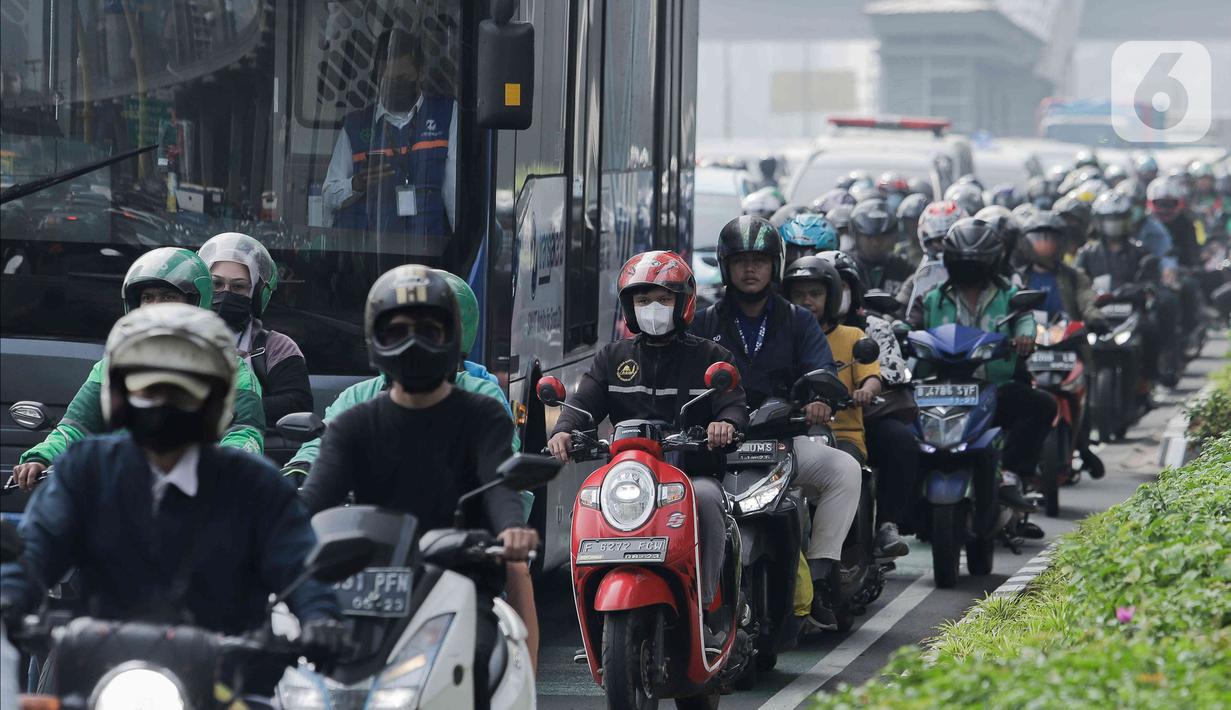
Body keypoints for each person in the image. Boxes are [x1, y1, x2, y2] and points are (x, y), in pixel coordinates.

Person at [0, 304, 342, 691]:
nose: (163, 401)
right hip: (101, 673)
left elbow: (300, 566)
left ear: (217, 396)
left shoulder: (256, 485)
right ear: (118, 391)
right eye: (147, 386)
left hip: (228, 683)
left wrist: (320, 619)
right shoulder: (86, 469)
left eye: (184, 387)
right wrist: (11, 596)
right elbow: (36, 548)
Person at [546, 251, 746, 648]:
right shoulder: (612, 357)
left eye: (663, 299)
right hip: (631, 478)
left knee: (707, 500)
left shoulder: (710, 357)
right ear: (629, 308)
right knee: (589, 501)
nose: (652, 308)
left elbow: (733, 403)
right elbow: (584, 403)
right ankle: (592, 614)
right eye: (642, 301)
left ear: (683, 302)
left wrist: (726, 424)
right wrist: (564, 430)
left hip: (690, 475)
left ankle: (705, 609)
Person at [691, 217, 861, 632]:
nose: (751, 270)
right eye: (742, 260)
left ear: (775, 266)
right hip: (718, 449)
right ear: (726, 265)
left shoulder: (798, 320)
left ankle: (820, 577)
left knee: (845, 470)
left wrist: (820, 399)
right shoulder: (704, 321)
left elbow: (822, 370)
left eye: (761, 261)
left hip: (783, 441)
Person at [11, 248, 266, 491]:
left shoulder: (233, 370)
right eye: (148, 298)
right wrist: (41, 457)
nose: (156, 306)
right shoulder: (110, 367)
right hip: (120, 492)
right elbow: (76, 427)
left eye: (168, 297)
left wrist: (222, 468)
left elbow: (244, 435)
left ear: (196, 303)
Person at [907, 219, 1054, 513]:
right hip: (939, 389)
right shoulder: (934, 296)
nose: (969, 267)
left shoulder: (1008, 293)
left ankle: (1010, 474)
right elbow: (910, 321)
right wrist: (897, 330)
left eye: (976, 260)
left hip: (992, 388)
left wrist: (1025, 336)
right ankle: (899, 506)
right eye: (963, 260)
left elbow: (1024, 316)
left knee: (1042, 405)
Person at [782, 256, 907, 558]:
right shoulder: (783, 337)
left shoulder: (853, 336)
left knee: (848, 471)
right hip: (794, 435)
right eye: (799, 295)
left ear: (832, 296)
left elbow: (872, 376)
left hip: (844, 435)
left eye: (815, 294)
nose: (807, 301)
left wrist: (865, 391)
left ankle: (844, 555)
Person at [820, 249, 921, 542]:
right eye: (824, 287)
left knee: (901, 443)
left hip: (863, 418)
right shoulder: (796, 327)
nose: (833, 294)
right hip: (805, 421)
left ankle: (887, 525)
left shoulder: (873, 327)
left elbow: (890, 373)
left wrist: (864, 390)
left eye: (841, 285)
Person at [323, 28, 458, 236]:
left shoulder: (445, 115)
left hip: (430, 252)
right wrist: (358, 183)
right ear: (377, 75)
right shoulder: (356, 126)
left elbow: (453, 193)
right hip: (369, 251)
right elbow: (328, 195)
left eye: (403, 77)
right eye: (388, 79)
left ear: (420, 72)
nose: (396, 85)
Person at [198, 232, 313, 425]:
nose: (226, 293)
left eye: (238, 287)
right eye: (216, 284)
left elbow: (298, 404)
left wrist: (230, 410)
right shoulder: (181, 341)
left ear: (257, 294)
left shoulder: (278, 347)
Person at [1078, 191, 1176, 396]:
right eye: (1109, 219)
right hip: (1097, 312)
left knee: (1151, 330)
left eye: (1118, 219)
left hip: (1130, 311)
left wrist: (1144, 289)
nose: (1113, 225)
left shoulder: (1139, 251)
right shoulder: (1087, 253)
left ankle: (1150, 377)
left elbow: (1152, 280)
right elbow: (1076, 281)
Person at [898, 200, 967, 312]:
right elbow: (900, 311)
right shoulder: (919, 279)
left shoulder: (979, 276)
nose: (945, 246)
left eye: (951, 240)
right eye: (939, 240)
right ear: (928, 241)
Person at [849, 198, 913, 296]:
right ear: (856, 236)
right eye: (869, 237)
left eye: (882, 237)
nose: (876, 243)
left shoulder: (905, 269)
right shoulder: (847, 268)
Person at [894, 193, 930, 269]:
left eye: (917, 220)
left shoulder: (936, 247)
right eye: (908, 222)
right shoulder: (900, 251)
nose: (914, 226)